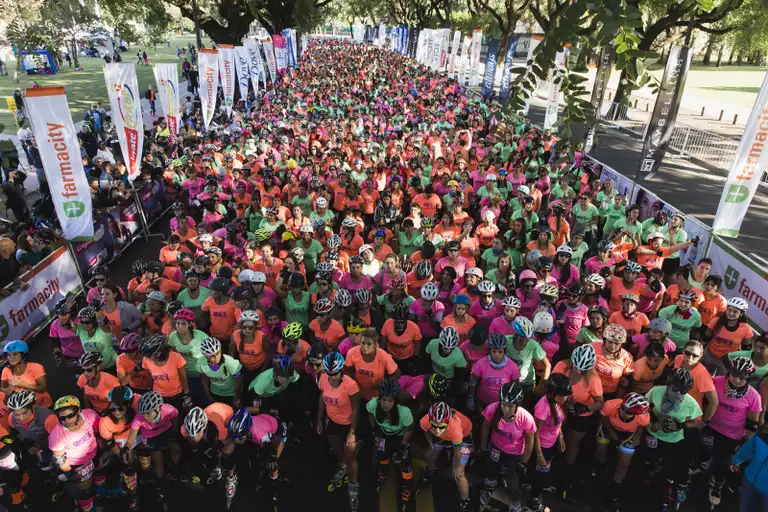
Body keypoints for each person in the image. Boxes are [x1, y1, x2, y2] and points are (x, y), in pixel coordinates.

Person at [644, 368, 702, 510]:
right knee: (649, 459)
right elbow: (645, 407)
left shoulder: (691, 403)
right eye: (675, 389)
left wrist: (680, 425)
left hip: (673, 439)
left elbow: (697, 422)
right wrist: (653, 421)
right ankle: (650, 474)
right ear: (668, 385)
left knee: (669, 467)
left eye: (683, 391)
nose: (679, 394)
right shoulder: (656, 391)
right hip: (653, 433)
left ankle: (666, 491)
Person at [477, 381, 536, 512]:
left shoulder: (526, 418)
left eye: (510, 406)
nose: (506, 409)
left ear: (517, 405)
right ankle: (489, 488)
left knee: (511, 479)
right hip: (496, 447)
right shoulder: (493, 409)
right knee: (492, 469)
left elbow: (530, 440)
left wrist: (524, 462)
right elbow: (486, 426)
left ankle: (515, 504)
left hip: (514, 453)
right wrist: (483, 447)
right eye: (503, 405)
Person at [317, 352, 361, 509]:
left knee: (351, 457)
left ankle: (353, 485)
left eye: (334, 373)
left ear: (341, 370)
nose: (332, 377)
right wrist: (319, 419)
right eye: (329, 373)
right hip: (333, 421)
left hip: (348, 423)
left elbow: (356, 410)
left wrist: (352, 432)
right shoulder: (323, 378)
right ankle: (343, 466)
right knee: (335, 447)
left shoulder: (350, 385)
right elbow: (322, 398)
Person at [49, 395, 101, 512]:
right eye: (62, 418)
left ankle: (100, 492)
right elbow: (59, 459)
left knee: (99, 473)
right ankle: (87, 508)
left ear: (78, 411)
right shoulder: (57, 435)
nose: (67, 421)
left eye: (70, 415)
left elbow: (98, 432)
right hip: (77, 464)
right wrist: (71, 474)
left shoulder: (90, 415)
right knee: (84, 491)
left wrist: (103, 451)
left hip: (94, 453)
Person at [367, 379, 414, 502]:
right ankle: (383, 472)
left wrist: (403, 446)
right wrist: (373, 430)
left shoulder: (404, 412)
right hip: (383, 432)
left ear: (395, 400)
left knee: (404, 461)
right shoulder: (373, 404)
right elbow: (370, 413)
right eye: (384, 400)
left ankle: (407, 486)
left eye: (390, 401)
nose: (386, 404)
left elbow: (409, 429)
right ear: (380, 398)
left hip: (400, 435)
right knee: (381, 453)